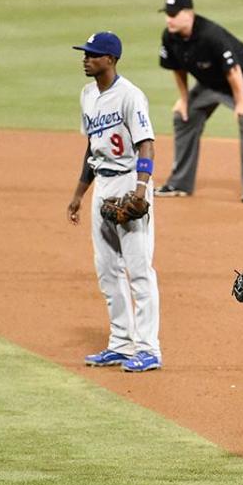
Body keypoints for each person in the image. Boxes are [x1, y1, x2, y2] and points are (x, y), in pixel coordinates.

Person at [66, 32, 163, 373]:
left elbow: (146, 144)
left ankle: (149, 348)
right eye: (85, 54)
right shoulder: (87, 95)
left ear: (110, 59)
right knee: (107, 270)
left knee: (138, 269)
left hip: (128, 181)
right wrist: (79, 193)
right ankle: (122, 343)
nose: (85, 59)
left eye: (92, 54)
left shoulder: (130, 96)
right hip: (102, 183)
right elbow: (91, 148)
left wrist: (140, 190)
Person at [154, 0, 243, 203]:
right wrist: (184, 99)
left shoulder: (210, 34)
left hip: (242, 78)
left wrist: (241, 101)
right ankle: (180, 184)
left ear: (188, 14)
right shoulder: (170, 36)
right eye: (167, 15)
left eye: (173, 15)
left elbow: (233, 70)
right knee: (183, 118)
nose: (169, 19)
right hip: (209, 84)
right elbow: (177, 68)